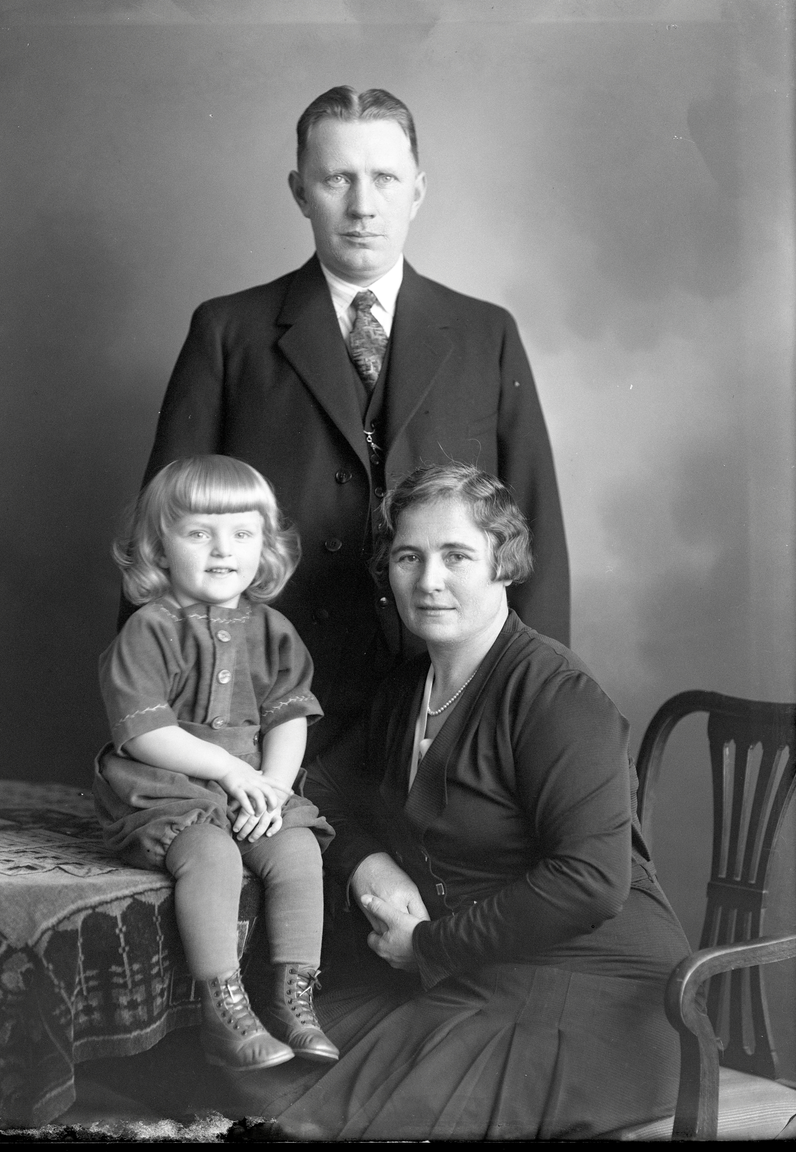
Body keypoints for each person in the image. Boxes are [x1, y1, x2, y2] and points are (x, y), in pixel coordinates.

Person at [230, 463, 691, 1139]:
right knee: (250, 1080)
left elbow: (590, 882)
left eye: (456, 556)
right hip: (476, 971)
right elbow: (319, 786)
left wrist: (427, 946)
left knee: (324, 1124)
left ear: (504, 565)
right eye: (408, 557)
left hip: (596, 989)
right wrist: (370, 866)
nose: (428, 581)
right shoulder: (408, 686)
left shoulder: (556, 693)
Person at [129, 85, 570, 760]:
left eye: (384, 178)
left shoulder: (486, 334)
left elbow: (532, 525)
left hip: (446, 694)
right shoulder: (228, 331)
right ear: (300, 192)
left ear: (417, 191)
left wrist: (540, 697)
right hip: (265, 700)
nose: (363, 205)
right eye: (337, 178)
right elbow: (162, 529)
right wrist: (152, 709)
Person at [93, 454, 339, 1073]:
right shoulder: (150, 630)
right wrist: (230, 772)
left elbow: (287, 718)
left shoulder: (274, 631)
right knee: (213, 855)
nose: (223, 549)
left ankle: (292, 997)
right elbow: (146, 733)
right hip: (166, 789)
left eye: (243, 533)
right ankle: (222, 1009)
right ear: (159, 547)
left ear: (266, 546)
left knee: (298, 850)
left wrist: (273, 788)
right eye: (200, 532)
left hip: (251, 785)